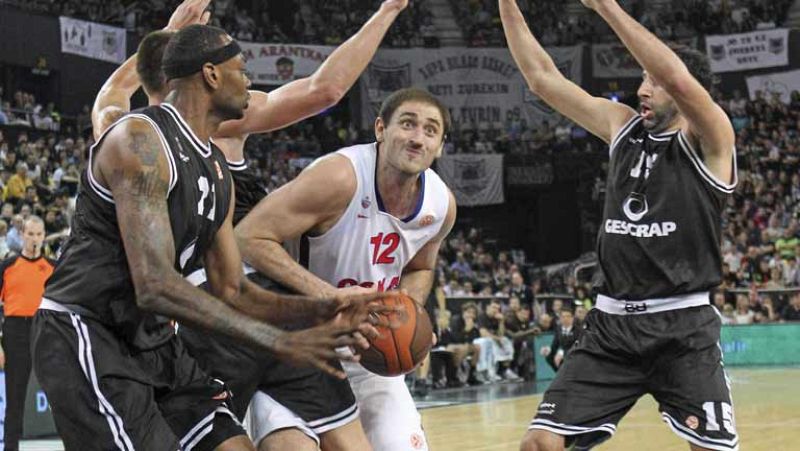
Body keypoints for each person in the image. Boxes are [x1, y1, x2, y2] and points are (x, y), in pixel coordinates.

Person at [32, 24, 384, 451]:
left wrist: (323, 305)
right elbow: (155, 285)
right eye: (242, 68)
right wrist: (276, 339)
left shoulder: (218, 171)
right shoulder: (140, 140)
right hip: (89, 332)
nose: (250, 81)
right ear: (211, 75)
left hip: (156, 343)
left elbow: (232, 289)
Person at [500, 0, 739, 450]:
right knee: (539, 444)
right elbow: (542, 78)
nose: (641, 89)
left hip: (683, 327)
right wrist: (507, 4)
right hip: (610, 328)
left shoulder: (712, 138)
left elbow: (676, 78)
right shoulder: (623, 128)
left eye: (651, 80)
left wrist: (605, 6)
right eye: (642, 79)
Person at [237, 87, 457, 451]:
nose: (418, 138)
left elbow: (421, 266)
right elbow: (247, 238)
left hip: (369, 349)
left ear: (441, 145)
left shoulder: (441, 203)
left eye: (430, 130)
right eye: (407, 124)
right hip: (299, 343)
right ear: (380, 129)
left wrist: (410, 311)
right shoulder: (339, 177)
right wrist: (334, 297)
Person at [0, 216, 54, 451]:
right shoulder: (7, 267)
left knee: (60, 394)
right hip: (15, 332)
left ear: (44, 236)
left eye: (38, 234)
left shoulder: (54, 268)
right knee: (15, 397)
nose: (34, 238)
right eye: (30, 234)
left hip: (45, 331)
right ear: (22, 234)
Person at [541, 308, 582, 372]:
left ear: (572, 318)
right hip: (563, 355)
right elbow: (554, 346)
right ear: (560, 318)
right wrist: (548, 349)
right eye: (563, 317)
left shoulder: (578, 330)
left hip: (574, 355)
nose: (565, 319)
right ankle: (559, 374)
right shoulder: (558, 329)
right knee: (549, 355)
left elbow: (577, 346)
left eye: (568, 316)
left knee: (564, 357)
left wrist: (562, 353)